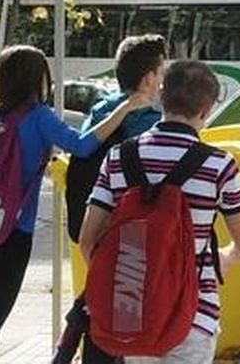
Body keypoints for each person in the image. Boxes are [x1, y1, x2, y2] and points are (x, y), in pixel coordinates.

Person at [79, 60, 240, 364]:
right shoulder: (220, 165)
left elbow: (87, 240)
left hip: (133, 316)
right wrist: (222, 260)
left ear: (162, 97)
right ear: (207, 110)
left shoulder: (119, 157)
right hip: (194, 316)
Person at [0, 45, 152, 364]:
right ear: (38, 80)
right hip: (12, 232)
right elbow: (83, 145)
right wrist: (126, 108)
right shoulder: (38, 117)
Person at [73, 34, 166, 364]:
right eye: (161, 70)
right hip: (133, 235)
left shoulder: (101, 109)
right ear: (149, 78)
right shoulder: (151, 121)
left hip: (95, 224)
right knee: (130, 327)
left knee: (101, 316)